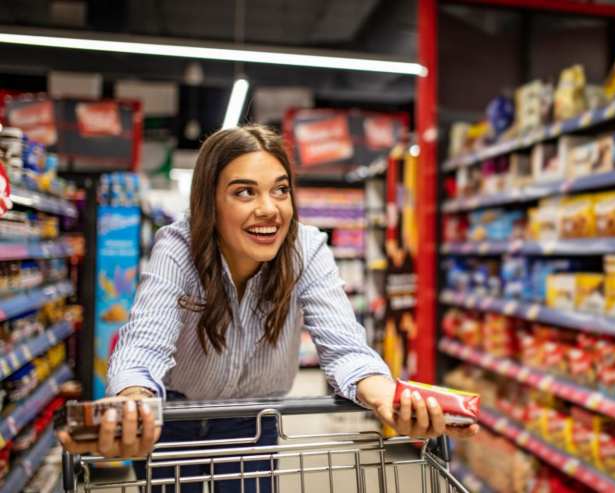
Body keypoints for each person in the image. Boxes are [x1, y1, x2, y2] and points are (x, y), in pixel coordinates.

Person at [58, 124, 479, 492]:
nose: (269, 209)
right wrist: (133, 403)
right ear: (210, 202)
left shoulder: (306, 248)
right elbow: (144, 344)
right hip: (174, 423)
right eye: (244, 192)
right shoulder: (180, 246)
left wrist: (386, 396)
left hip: (254, 422)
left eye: (280, 190)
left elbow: (346, 349)